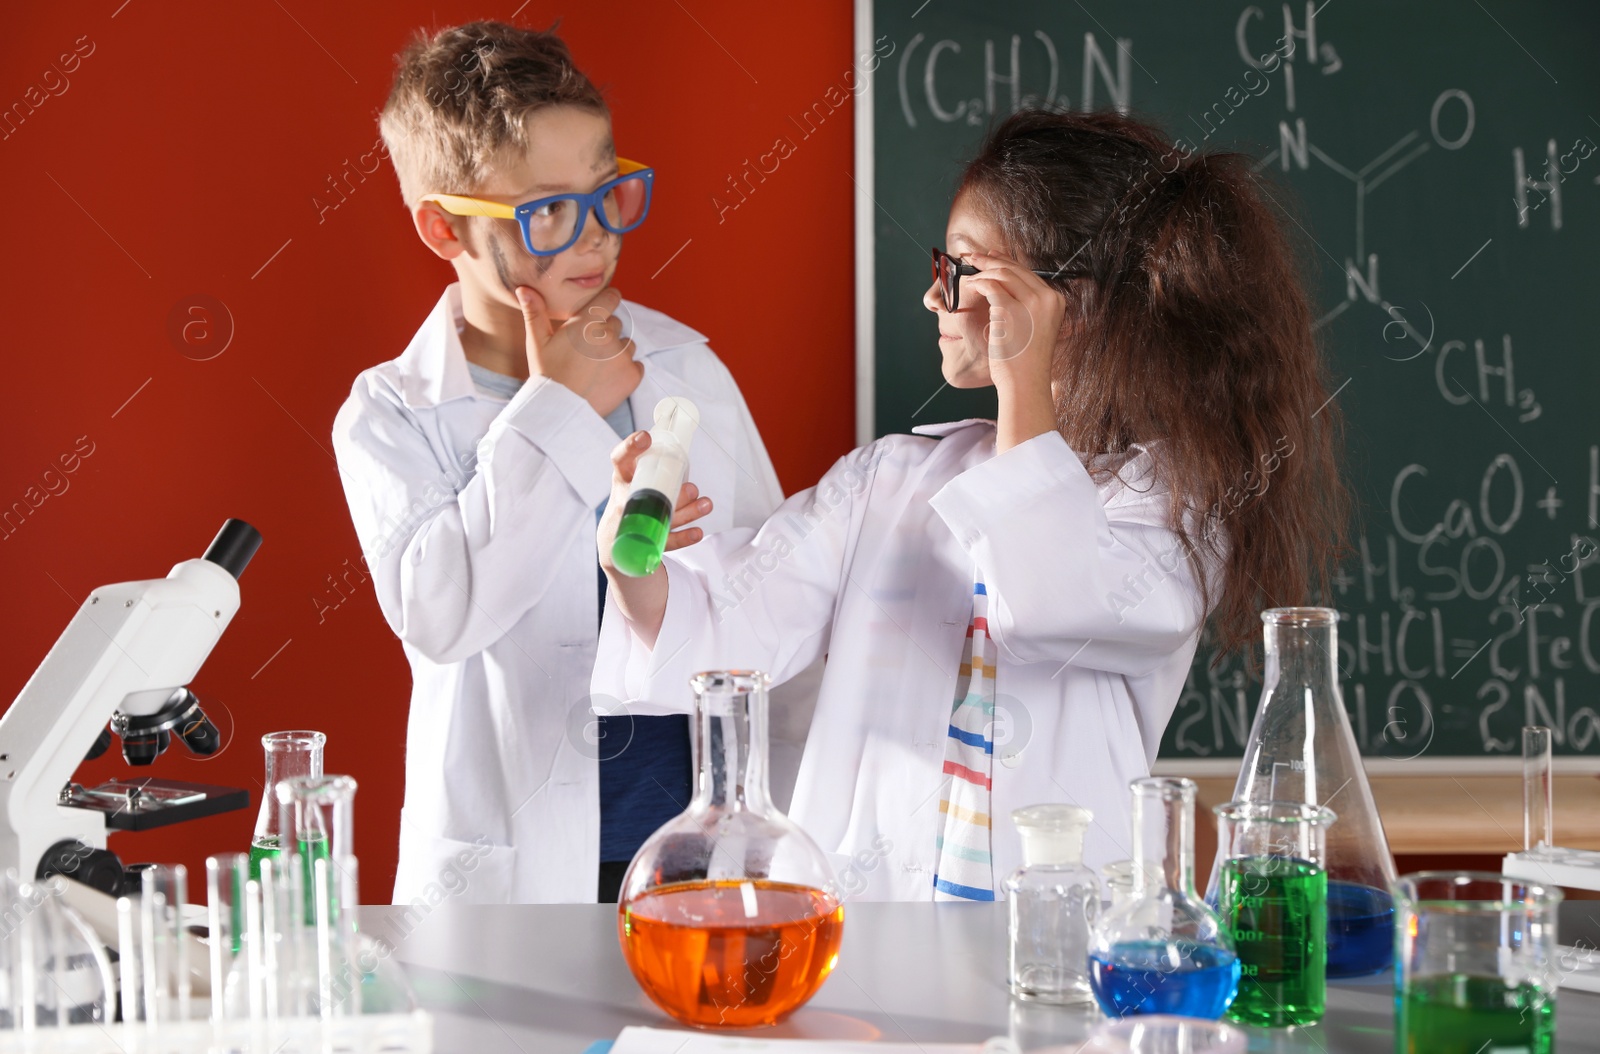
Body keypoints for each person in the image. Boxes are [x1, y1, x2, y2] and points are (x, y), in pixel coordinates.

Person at [593, 108, 1350, 901]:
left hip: (1060, 942)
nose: (932, 298)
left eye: (959, 271)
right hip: (864, 932)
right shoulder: (889, 480)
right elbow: (723, 640)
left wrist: (1028, 368)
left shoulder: (1171, 508)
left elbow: (1045, 604)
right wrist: (632, 571)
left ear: (1070, 308)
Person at [332, 21, 793, 904]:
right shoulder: (389, 413)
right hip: (511, 875)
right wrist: (558, 408)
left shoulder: (684, 368)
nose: (596, 239)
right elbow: (444, 615)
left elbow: (775, 610)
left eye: (607, 191)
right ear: (442, 229)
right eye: (548, 211)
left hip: (693, 859)